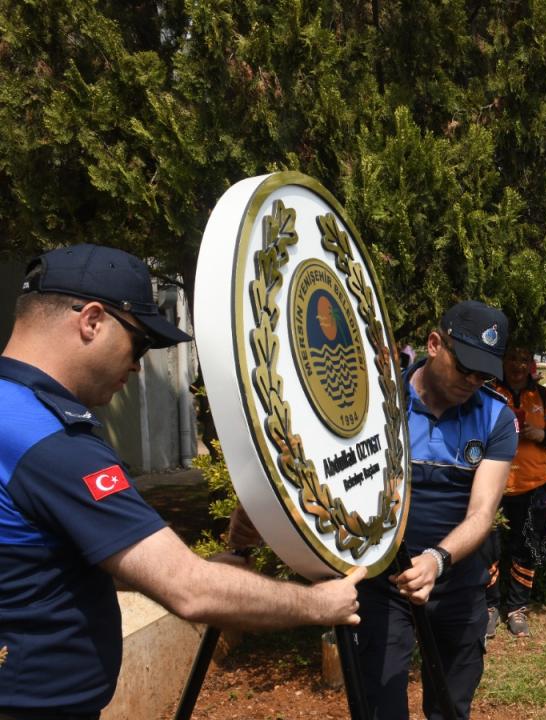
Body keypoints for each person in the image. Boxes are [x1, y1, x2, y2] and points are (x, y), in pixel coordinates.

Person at [0, 244, 364, 717]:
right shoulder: (54, 442)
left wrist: (196, 567)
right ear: (91, 320)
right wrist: (320, 604)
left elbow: (34, 564)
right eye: (140, 342)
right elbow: (189, 590)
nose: (136, 365)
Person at [356, 300, 517, 720]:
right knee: (380, 707)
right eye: (465, 366)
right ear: (434, 344)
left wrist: (437, 559)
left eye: (484, 372)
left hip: (459, 583)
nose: (473, 381)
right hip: (383, 585)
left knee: (450, 708)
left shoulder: (496, 417)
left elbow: (482, 513)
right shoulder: (379, 404)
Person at [483, 345, 546, 639]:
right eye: (511, 358)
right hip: (493, 487)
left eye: (523, 359)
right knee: (487, 551)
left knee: (527, 550)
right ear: (503, 361)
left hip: (533, 487)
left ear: (530, 364)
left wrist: (540, 433)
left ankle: (517, 609)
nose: (517, 365)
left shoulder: (543, 396)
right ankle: (489, 608)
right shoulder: (488, 392)